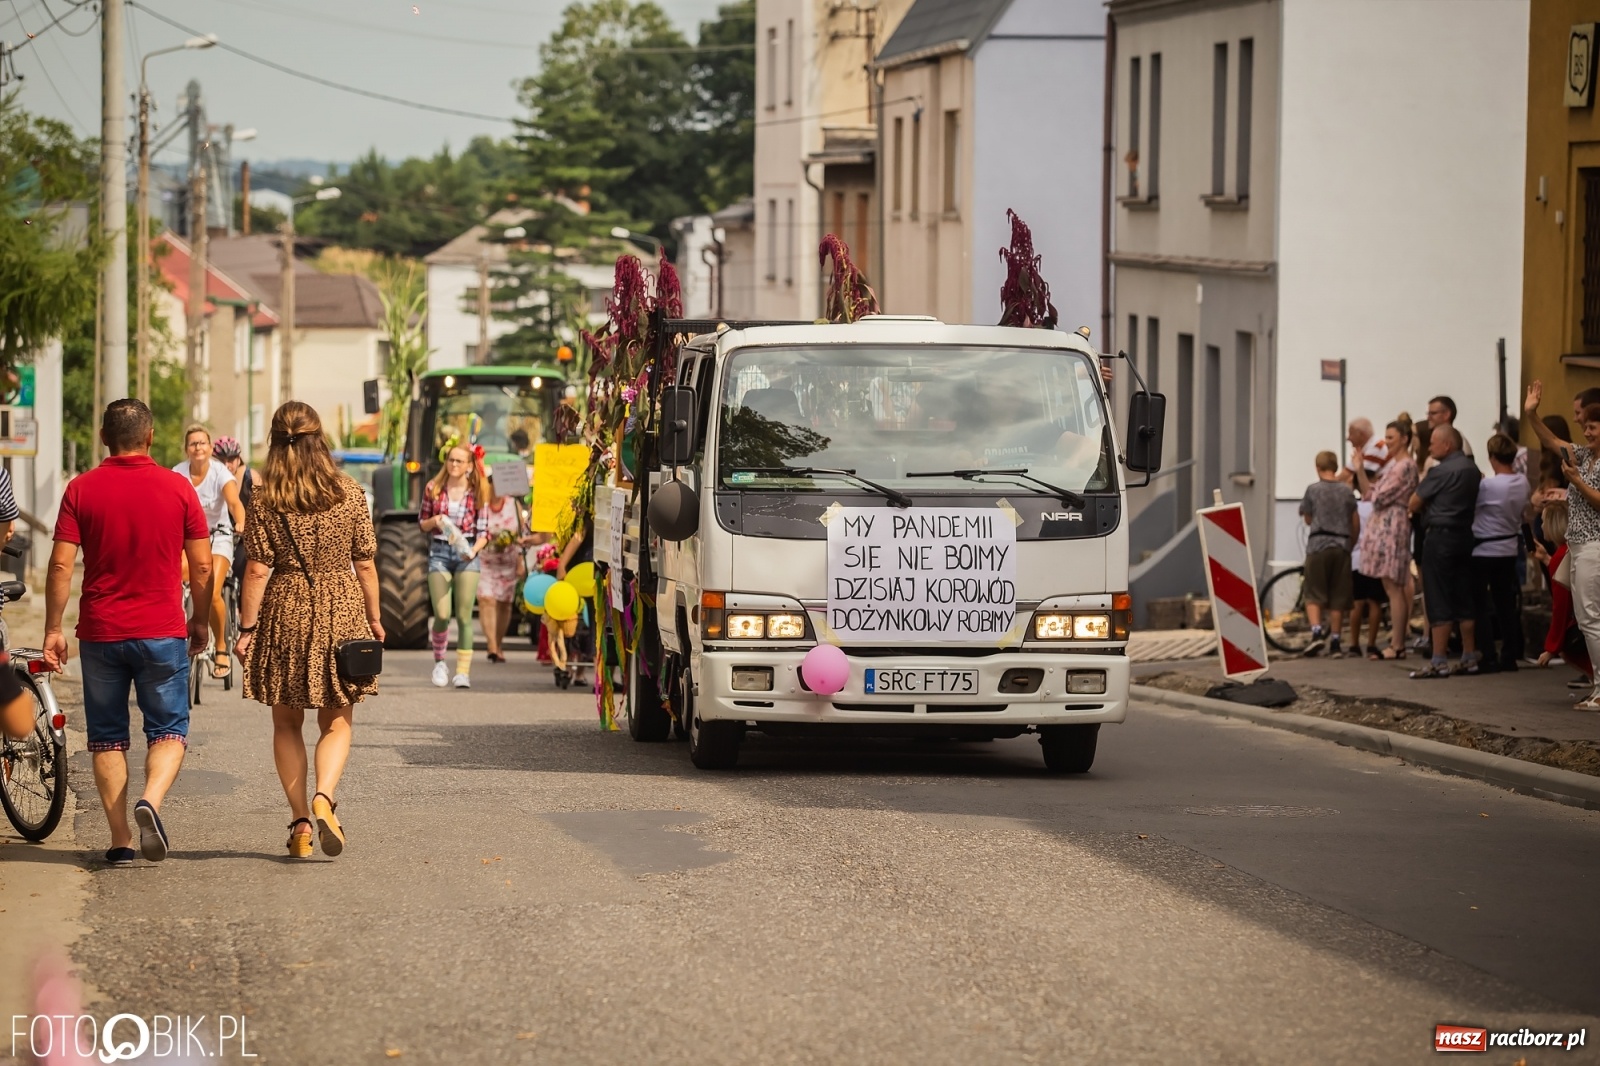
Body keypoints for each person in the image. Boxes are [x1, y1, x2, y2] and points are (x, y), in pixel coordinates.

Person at [44, 399, 211, 866]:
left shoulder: (81, 489)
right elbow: (200, 565)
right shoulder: (179, 489)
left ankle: (120, 840)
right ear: (151, 437)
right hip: (161, 630)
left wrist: (53, 629)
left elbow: (60, 563)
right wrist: (200, 620)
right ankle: (151, 801)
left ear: (103, 439)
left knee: (107, 738)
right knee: (169, 730)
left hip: (101, 633)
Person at [236, 402, 382, 858]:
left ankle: (300, 822)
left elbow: (257, 569)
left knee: (286, 721)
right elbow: (365, 563)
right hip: (341, 609)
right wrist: (374, 619)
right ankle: (325, 796)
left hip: (285, 608)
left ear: (276, 444)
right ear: (320, 440)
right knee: (336, 719)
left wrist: (245, 629)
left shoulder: (264, 499)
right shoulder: (349, 492)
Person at [1530, 381, 1600, 709]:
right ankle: (1597, 684)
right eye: (1585, 426)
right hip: (1579, 546)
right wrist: (1532, 414)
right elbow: (1550, 440)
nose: (1586, 432)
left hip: (1594, 545)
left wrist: (1575, 482)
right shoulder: (1584, 455)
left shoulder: (1591, 465)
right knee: (1587, 617)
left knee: (1590, 617)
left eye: (1592, 427)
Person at [1407, 426, 1483, 677]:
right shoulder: (1472, 470)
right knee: (1465, 595)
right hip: (1465, 536)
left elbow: (1414, 503)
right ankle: (1469, 656)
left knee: (1438, 596)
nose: (1429, 447)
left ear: (1448, 445)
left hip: (1439, 538)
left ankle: (1439, 660)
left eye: (1433, 443)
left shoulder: (1439, 471)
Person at [174, 425, 245, 679]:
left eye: (202, 443)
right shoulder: (178, 474)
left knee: (211, 588)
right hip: (189, 537)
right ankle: (177, 635)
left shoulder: (220, 473)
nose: (198, 448)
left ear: (210, 447)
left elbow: (234, 502)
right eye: (193, 444)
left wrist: (240, 521)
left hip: (219, 535)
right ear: (187, 450)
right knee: (180, 580)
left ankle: (222, 647)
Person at [420, 444, 488, 688]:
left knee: (464, 616)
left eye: (460, 461)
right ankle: (440, 662)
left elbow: (484, 531)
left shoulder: (478, 491)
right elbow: (422, 523)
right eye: (451, 460)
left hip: (467, 552)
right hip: (439, 550)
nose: (454, 465)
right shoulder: (434, 488)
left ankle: (462, 672)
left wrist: (473, 551)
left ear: (469, 465)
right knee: (441, 614)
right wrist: (435, 520)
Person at [1353, 421, 1419, 660]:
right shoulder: (1395, 465)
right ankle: (1397, 642)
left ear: (1403, 438)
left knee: (1394, 586)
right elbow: (1369, 494)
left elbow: (1378, 497)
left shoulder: (1405, 466)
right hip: (1386, 525)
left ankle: (1398, 643)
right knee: (1391, 586)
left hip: (1393, 526)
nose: (1386, 442)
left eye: (1391, 438)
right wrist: (1360, 469)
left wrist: (1372, 488)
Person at [1470, 433, 1531, 672]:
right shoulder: (1522, 482)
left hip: (1483, 548)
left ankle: (1488, 654)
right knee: (1505, 602)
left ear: (1491, 456)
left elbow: (1474, 507)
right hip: (1508, 548)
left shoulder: (1487, 486)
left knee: (1480, 604)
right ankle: (1510, 654)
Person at [1298, 451, 1359, 657]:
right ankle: (1335, 642)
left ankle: (1316, 634)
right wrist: (1351, 541)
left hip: (1318, 545)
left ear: (1318, 468)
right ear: (1335, 467)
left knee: (1314, 592)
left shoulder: (1313, 490)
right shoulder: (1346, 491)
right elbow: (1354, 520)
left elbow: (1307, 518)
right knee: (1338, 596)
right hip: (1342, 545)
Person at [1533, 500, 1594, 692]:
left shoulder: (1562, 555)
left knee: (1570, 648)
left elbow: (1561, 605)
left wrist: (1552, 647)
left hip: (1584, 619)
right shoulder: (1572, 549)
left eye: (1543, 521)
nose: (1541, 526)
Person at [479, 467, 532, 663]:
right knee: (486, 600)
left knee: (503, 604)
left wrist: (520, 560)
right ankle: (491, 645)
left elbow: (521, 535)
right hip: (485, 561)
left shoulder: (513, 505)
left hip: (508, 562)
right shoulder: (480, 505)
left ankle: (498, 644)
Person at [1347, 497, 1385, 659]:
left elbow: (1352, 529)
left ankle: (1354, 644)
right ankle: (1371, 643)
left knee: (1357, 602)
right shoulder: (1380, 506)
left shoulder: (1355, 506)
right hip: (1376, 557)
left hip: (1357, 557)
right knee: (1375, 601)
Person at [1342, 418, 1387, 484]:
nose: (1348, 438)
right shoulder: (1364, 450)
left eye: (1351, 434)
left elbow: (1354, 480)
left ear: (1361, 435)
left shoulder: (1376, 448)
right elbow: (1346, 473)